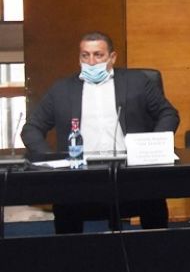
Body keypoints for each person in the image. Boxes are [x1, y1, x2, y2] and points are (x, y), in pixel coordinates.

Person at [21, 31, 180, 234]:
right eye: (85, 55)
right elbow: (31, 128)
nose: (91, 62)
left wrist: (152, 146)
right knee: (65, 202)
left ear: (112, 57)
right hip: (80, 176)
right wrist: (50, 160)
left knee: (153, 196)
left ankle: (157, 250)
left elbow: (168, 114)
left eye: (98, 55)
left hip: (131, 172)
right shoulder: (62, 90)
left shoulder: (137, 82)